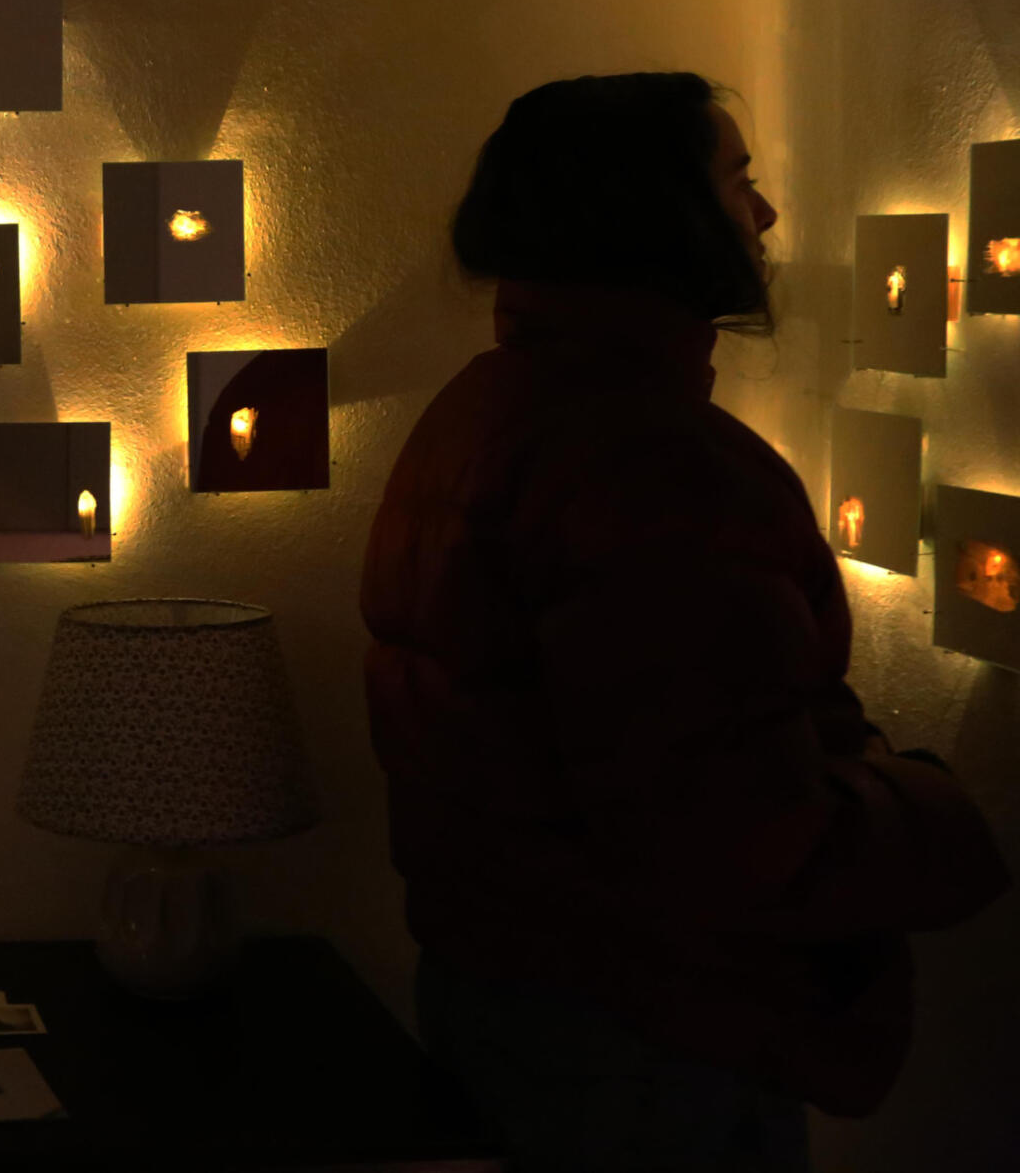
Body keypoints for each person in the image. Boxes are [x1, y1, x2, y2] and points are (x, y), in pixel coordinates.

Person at [362, 72, 1008, 1172]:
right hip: (648, 1037)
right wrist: (938, 813)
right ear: (648, 210)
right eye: (735, 180)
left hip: (516, 990)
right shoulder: (654, 464)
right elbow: (731, 827)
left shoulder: (487, 405)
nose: (765, 213)